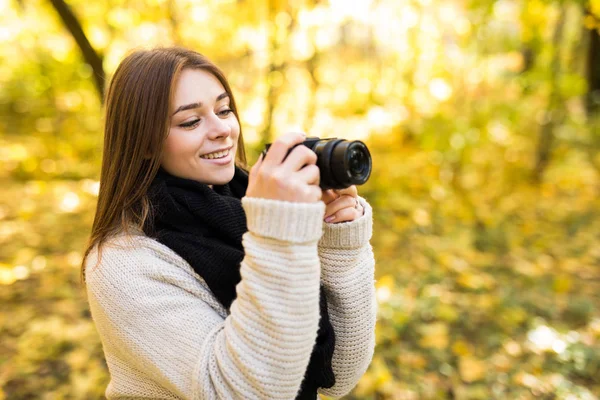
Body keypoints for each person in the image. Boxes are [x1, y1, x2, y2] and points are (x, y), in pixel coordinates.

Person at [82, 46, 376, 400]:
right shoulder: (122, 263)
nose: (222, 129)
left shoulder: (249, 208)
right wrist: (277, 235)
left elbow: (339, 374)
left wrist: (340, 241)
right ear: (143, 143)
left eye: (224, 110)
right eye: (191, 121)